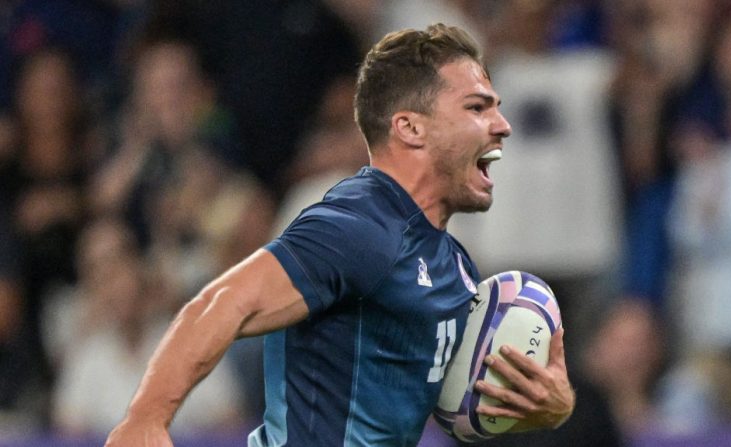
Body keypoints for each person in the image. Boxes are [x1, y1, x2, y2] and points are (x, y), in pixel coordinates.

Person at [104, 24, 575, 447]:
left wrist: (546, 406)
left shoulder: (454, 266)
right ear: (410, 128)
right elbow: (225, 302)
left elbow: (452, 407)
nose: (501, 125)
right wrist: (147, 417)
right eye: (476, 107)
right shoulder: (358, 226)